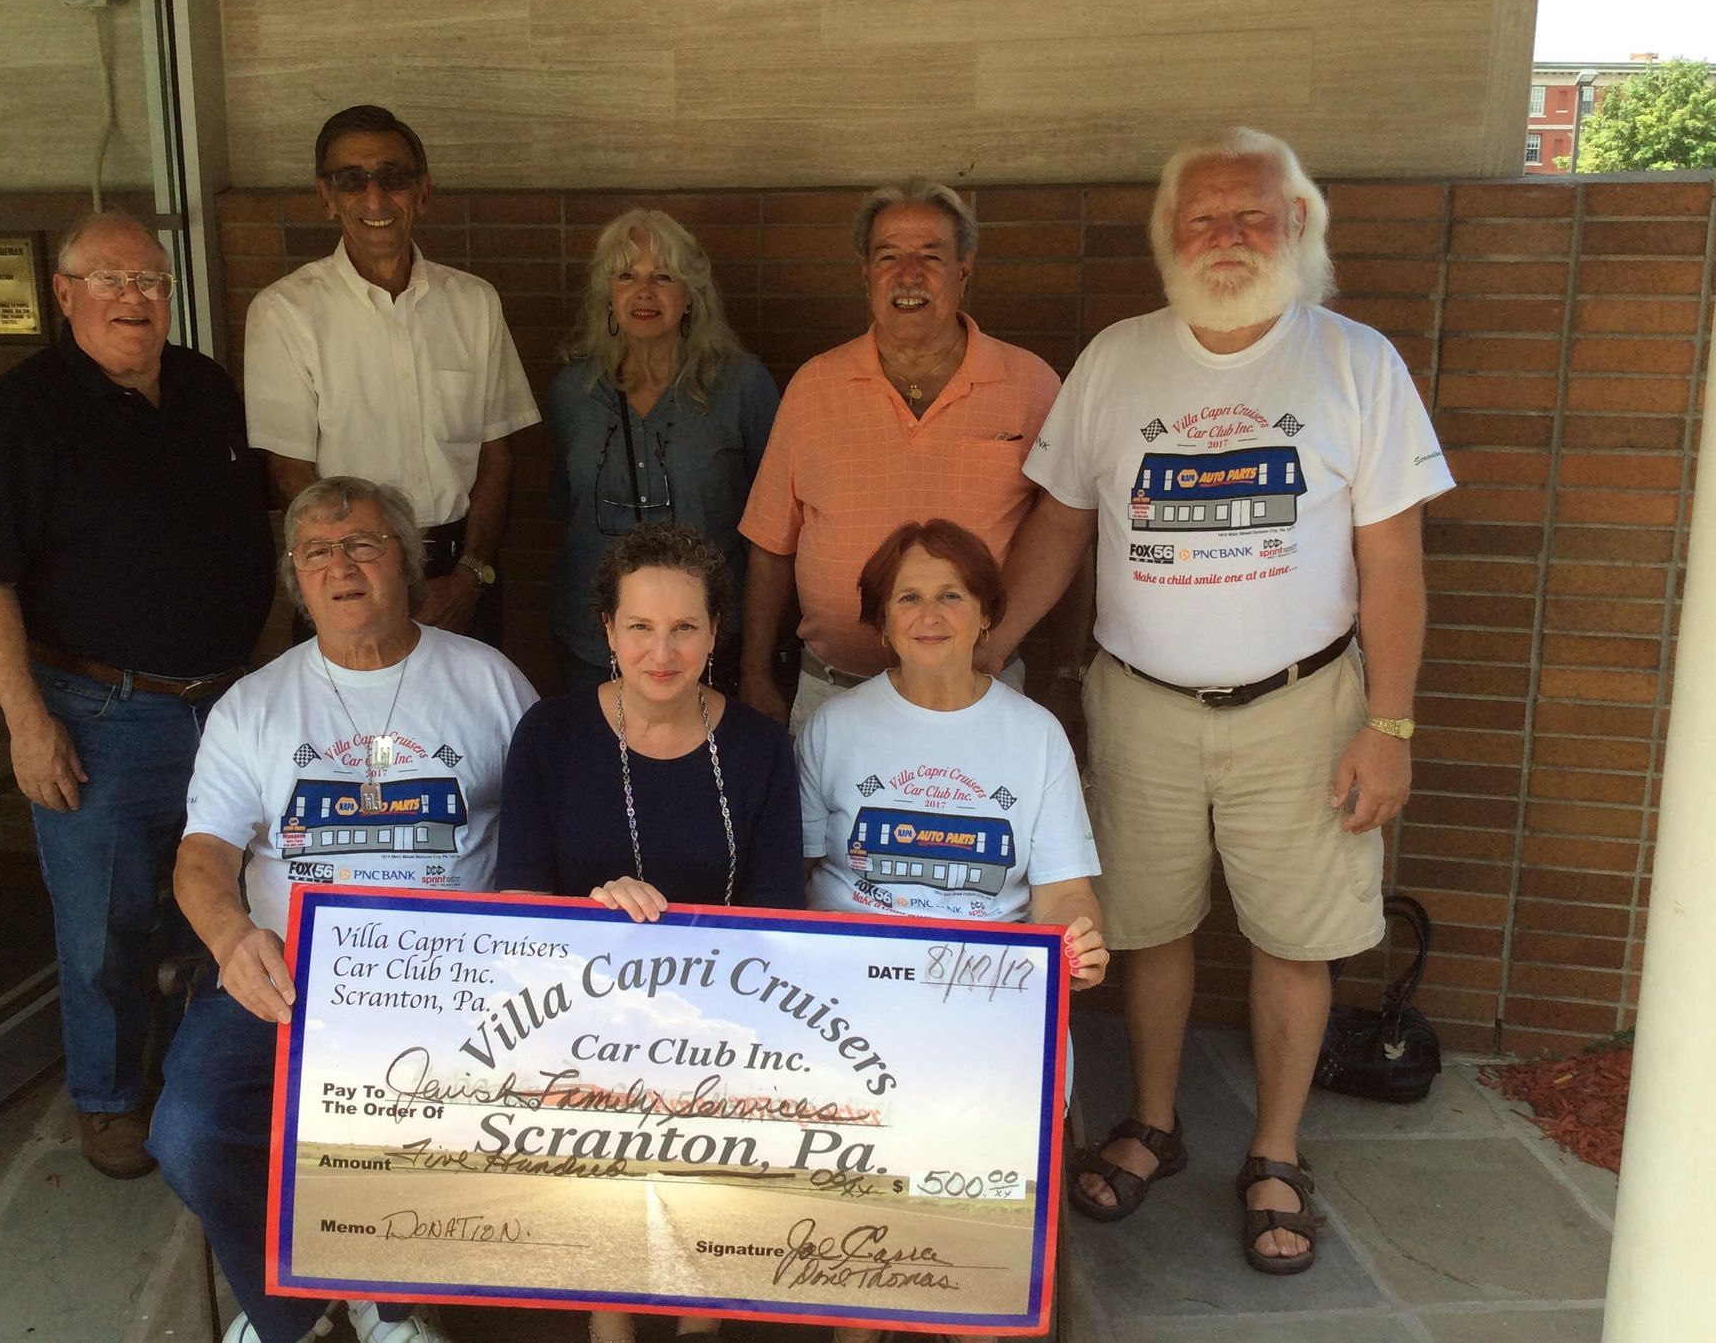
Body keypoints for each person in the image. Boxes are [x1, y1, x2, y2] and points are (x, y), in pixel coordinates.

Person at [990, 127, 1456, 1274]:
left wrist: (1388, 726)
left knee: (1297, 939)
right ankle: (1153, 1123)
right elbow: (1060, 520)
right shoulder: (1116, 359)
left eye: (1253, 213)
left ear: (1300, 226)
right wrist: (993, 644)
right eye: (1202, 218)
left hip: (1305, 707)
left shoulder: (1356, 363)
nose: (1227, 236)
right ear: (1168, 239)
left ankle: (1279, 1150)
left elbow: (1393, 560)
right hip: (1140, 700)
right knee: (1148, 926)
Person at [149, 477, 537, 1343]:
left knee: (426, 1126)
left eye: (363, 543)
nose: (341, 565)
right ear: (297, 577)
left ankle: (387, 1300)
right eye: (318, 551)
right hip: (286, 979)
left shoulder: (489, 683)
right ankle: (299, 1309)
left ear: (409, 561)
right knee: (191, 1130)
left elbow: (551, 829)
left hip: (453, 988)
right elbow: (202, 856)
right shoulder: (254, 705)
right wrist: (230, 938)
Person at [0, 209, 272, 1179]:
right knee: (104, 921)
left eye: (152, 283)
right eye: (111, 280)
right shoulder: (12, 418)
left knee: (211, 901)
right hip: (98, 712)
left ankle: (186, 1077)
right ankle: (106, 1095)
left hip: (223, 706)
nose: (135, 300)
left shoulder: (207, 389)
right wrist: (25, 722)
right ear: (64, 294)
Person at [796, 518, 1109, 1343]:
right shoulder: (833, 728)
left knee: (979, 1259)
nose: (929, 614)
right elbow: (789, 887)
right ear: (881, 618)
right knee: (850, 1245)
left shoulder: (1035, 735)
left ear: (984, 613)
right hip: (852, 1011)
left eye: (950, 595)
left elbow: (1066, 891)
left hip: (988, 1014)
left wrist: (1081, 945)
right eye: (908, 597)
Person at [500, 523, 805, 1343]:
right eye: (640, 626)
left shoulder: (761, 747)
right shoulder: (551, 736)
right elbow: (517, 901)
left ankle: (698, 1318)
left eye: (685, 629)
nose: (661, 651)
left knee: (705, 1088)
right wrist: (594, 914)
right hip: (578, 1010)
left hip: (728, 1019)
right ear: (606, 629)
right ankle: (612, 1318)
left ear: (715, 634)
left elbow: (780, 911)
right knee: (612, 1088)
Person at [737, 179, 1069, 735]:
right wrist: (754, 672)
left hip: (980, 693)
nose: (908, 275)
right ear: (865, 272)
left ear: (965, 268)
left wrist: (1066, 669)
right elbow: (770, 545)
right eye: (889, 256)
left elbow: (1068, 537)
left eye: (930, 257)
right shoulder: (814, 386)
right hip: (832, 692)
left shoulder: (1031, 385)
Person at [244, 104, 540, 644]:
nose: (375, 198)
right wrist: (360, 572)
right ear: (326, 197)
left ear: (422, 192)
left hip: (460, 573)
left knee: (471, 728)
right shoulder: (283, 311)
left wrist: (471, 577)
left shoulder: (475, 303)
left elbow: (497, 455)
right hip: (346, 577)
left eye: (394, 179)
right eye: (351, 180)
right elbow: (290, 473)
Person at [546, 210, 777, 694]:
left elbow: (771, 528)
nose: (644, 292)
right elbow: (563, 504)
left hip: (704, 645)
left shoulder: (741, 385)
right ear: (608, 295)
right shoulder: (573, 392)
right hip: (594, 645)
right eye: (627, 276)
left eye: (663, 277)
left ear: (691, 296)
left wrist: (758, 660)